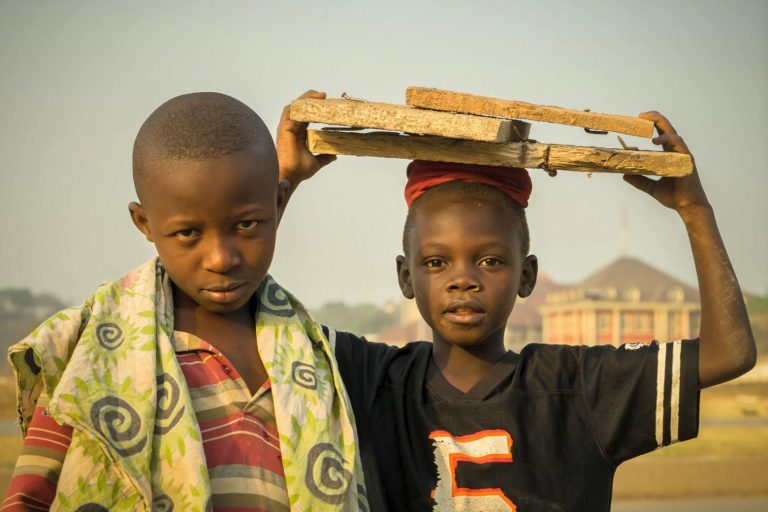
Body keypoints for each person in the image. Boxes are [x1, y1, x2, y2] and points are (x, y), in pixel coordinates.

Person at [279, 107, 757, 511]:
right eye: (436, 261)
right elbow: (249, 315)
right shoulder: (372, 381)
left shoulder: (577, 388)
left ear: (527, 275)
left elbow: (727, 354)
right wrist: (284, 180)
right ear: (407, 276)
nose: (462, 278)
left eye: (489, 260)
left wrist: (696, 211)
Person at [2, 92, 367, 512]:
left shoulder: (317, 356)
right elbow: (28, 501)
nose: (220, 259)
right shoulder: (91, 358)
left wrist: (284, 176)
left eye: (246, 224)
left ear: (278, 203)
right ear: (144, 223)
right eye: (188, 234)